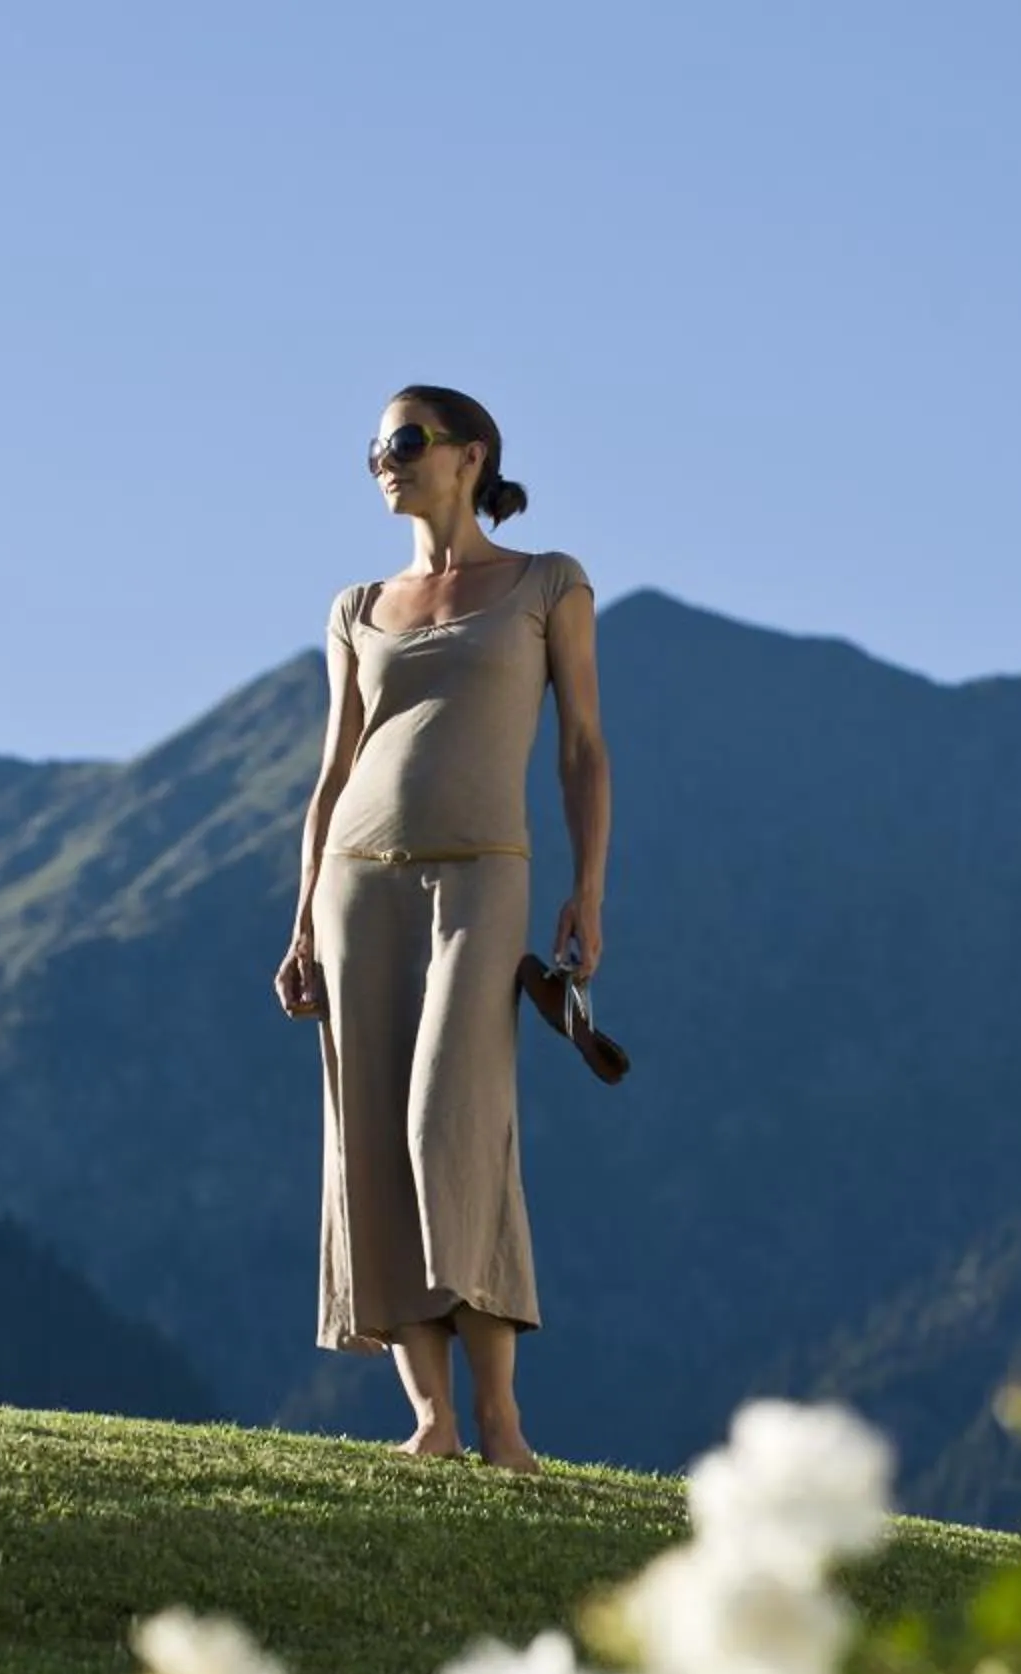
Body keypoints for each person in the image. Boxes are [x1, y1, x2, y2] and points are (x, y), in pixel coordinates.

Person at [271, 385, 611, 1472]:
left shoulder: (548, 583)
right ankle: (432, 1418)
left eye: (408, 441)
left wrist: (588, 888)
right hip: (355, 883)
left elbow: (581, 750)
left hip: (482, 877)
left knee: (447, 1124)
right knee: (369, 1134)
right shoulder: (356, 605)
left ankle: (504, 1424)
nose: (387, 459)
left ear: (471, 457)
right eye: (376, 446)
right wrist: (299, 923)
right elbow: (331, 775)